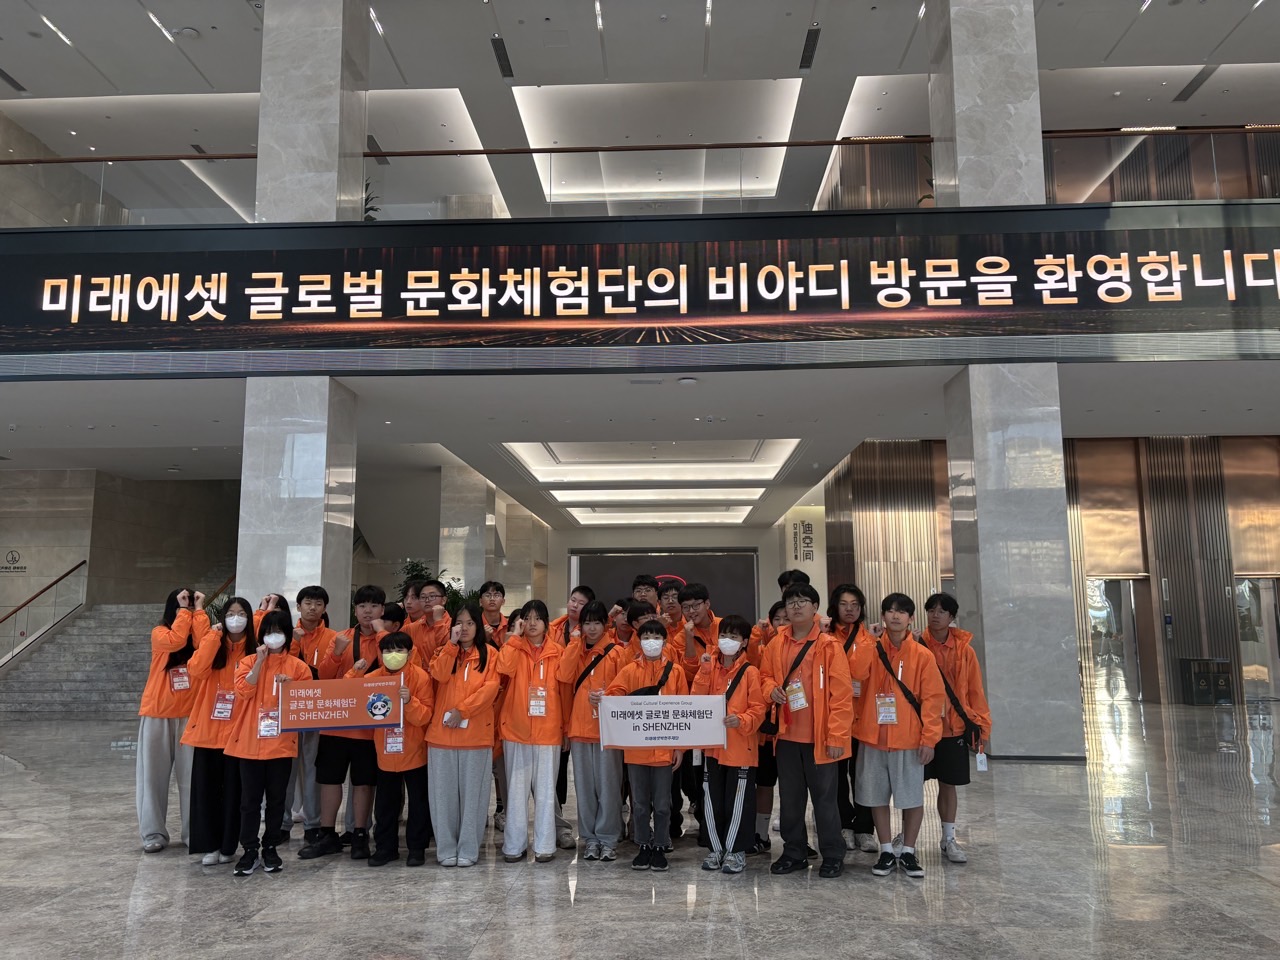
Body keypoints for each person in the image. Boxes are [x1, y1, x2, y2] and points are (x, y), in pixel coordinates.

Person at [848, 593, 945, 879]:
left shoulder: (922, 655)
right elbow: (855, 672)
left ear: (911, 618)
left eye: (901, 612)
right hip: (873, 736)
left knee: (911, 797)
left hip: (909, 738)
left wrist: (929, 739)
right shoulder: (871, 647)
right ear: (882, 616)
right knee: (876, 796)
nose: (895, 616)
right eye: (890, 611)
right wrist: (869, 641)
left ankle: (909, 851)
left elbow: (933, 700)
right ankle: (887, 850)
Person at [760, 582, 853, 879]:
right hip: (786, 735)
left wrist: (837, 737)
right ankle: (794, 852)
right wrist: (770, 689)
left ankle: (833, 854)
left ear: (815, 608)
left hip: (820, 738)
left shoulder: (829, 646)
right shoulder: (776, 643)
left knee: (825, 801)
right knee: (790, 800)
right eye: (791, 602)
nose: (796, 606)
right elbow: (764, 676)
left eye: (803, 601)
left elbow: (841, 696)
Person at [298, 584, 385, 861]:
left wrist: (382, 635)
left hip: (369, 727)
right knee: (329, 780)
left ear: (382, 610)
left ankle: (359, 834)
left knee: (364, 782)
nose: (367, 611)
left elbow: (396, 671)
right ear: (354, 610)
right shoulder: (341, 637)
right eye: (362, 606)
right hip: (336, 722)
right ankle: (327, 834)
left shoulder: (388, 640)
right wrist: (336, 652)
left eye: (373, 606)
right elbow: (324, 677)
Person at [224, 609, 313, 875]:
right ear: (261, 634)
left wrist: (290, 687)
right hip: (249, 743)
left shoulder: (298, 667)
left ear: (287, 635)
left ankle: (271, 847)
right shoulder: (248, 661)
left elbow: (306, 704)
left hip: (281, 745)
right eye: (269, 632)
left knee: (276, 800)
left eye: (279, 632)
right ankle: (249, 850)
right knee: (249, 801)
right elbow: (243, 691)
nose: (273, 637)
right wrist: (259, 663)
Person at [606, 619, 689, 872]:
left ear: (665, 641)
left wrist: (680, 748)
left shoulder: (676, 672)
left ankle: (661, 845)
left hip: (665, 750)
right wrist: (603, 698)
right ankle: (643, 845)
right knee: (640, 804)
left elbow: (684, 711)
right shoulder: (629, 670)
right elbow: (614, 697)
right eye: (646, 637)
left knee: (663, 804)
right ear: (639, 641)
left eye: (656, 637)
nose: (651, 642)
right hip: (636, 750)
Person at [692, 615, 767, 874]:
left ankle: (735, 851)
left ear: (744, 642)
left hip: (740, 748)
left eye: (734, 637)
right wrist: (703, 670)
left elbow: (758, 709)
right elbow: (696, 701)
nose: (727, 641)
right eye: (724, 635)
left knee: (738, 803)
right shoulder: (709, 667)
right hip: (712, 748)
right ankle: (715, 848)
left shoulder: (750, 672)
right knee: (711, 800)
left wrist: (741, 720)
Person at [920, 592, 991, 864]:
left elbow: (975, 691)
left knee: (948, 785)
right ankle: (907, 836)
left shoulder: (964, 651)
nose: (935, 615)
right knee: (911, 783)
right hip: (921, 727)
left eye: (942, 611)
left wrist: (982, 727)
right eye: (931, 610)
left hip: (953, 729)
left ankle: (948, 837)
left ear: (951, 616)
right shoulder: (915, 644)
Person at [428, 601, 501, 867]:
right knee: (442, 797)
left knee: (474, 798)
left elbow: (490, 688)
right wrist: (450, 644)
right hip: (441, 737)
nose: (465, 628)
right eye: (460, 623)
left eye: (470, 623)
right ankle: (446, 849)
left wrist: (463, 710)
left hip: (476, 737)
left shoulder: (490, 654)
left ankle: (469, 849)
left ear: (479, 626)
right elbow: (438, 675)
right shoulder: (443, 651)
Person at [182, 595, 253, 866]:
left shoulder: (253, 651)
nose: (236, 619)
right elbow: (196, 669)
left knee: (235, 793)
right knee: (206, 792)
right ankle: (209, 845)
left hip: (239, 732)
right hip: (208, 731)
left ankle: (228, 845)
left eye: (241, 614)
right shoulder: (213, 644)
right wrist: (213, 637)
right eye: (231, 614)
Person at [495, 599, 566, 863]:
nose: (532, 623)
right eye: (527, 618)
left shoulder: (558, 652)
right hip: (516, 730)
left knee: (546, 791)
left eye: (538, 618)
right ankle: (514, 846)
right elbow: (503, 669)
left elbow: (565, 692)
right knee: (516, 792)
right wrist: (513, 637)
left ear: (547, 623)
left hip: (549, 730)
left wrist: (566, 729)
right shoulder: (513, 648)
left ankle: (545, 845)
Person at [557, 599, 625, 862]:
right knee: (584, 790)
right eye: (587, 623)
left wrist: (609, 696)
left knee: (608, 787)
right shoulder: (575, 650)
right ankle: (589, 839)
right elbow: (564, 677)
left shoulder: (617, 652)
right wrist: (575, 643)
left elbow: (626, 690)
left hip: (608, 731)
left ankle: (608, 838)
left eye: (597, 622)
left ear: (606, 624)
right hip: (579, 728)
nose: (592, 628)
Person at [361, 631, 434, 867]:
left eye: (399, 650)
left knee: (418, 803)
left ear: (410, 654)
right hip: (385, 752)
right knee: (385, 804)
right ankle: (385, 847)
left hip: (415, 751)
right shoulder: (372, 679)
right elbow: (356, 706)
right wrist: (355, 672)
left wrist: (409, 701)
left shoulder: (421, 677)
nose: (393, 655)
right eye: (388, 650)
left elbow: (425, 716)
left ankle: (416, 848)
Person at [136, 587, 201, 853]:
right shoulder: (159, 633)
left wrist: (198, 611)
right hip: (157, 714)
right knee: (152, 778)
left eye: (190, 606)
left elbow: (204, 643)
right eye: (181, 606)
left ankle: (194, 832)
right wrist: (184, 611)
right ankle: (153, 833)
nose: (186, 611)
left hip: (191, 714)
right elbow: (175, 640)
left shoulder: (197, 635)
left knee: (192, 779)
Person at [827, 583, 878, 854]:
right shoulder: (824, 636)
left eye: (855, 605)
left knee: (863, 776)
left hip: (863, 718)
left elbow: (862, 673)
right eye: (844, 604)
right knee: (835, 777)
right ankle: (844, 824)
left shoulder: (870, 639)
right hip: (834, 718)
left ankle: (865, 828)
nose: (850, 610)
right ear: (835, 606)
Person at [286, 585, 335, 843]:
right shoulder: (285, 635)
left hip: (319, 708)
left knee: (313, 767)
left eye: (318, 603)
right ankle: (282, 823)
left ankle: (313, 823)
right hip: (290, 708)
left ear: (324, 608)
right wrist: (294, 641)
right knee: (286, 768)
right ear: (298, 606)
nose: (312, 608)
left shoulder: (333, 637)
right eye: (307, 603)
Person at [749, 598, 790, 853]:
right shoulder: (762, 649)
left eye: (787, 619)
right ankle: (760, 835)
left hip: (792, 730)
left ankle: (796, 838)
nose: (782, 624)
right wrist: (757, 634)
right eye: (778, 619)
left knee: (793, 788)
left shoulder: (806, 648)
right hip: (765, 731)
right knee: (764, 783)